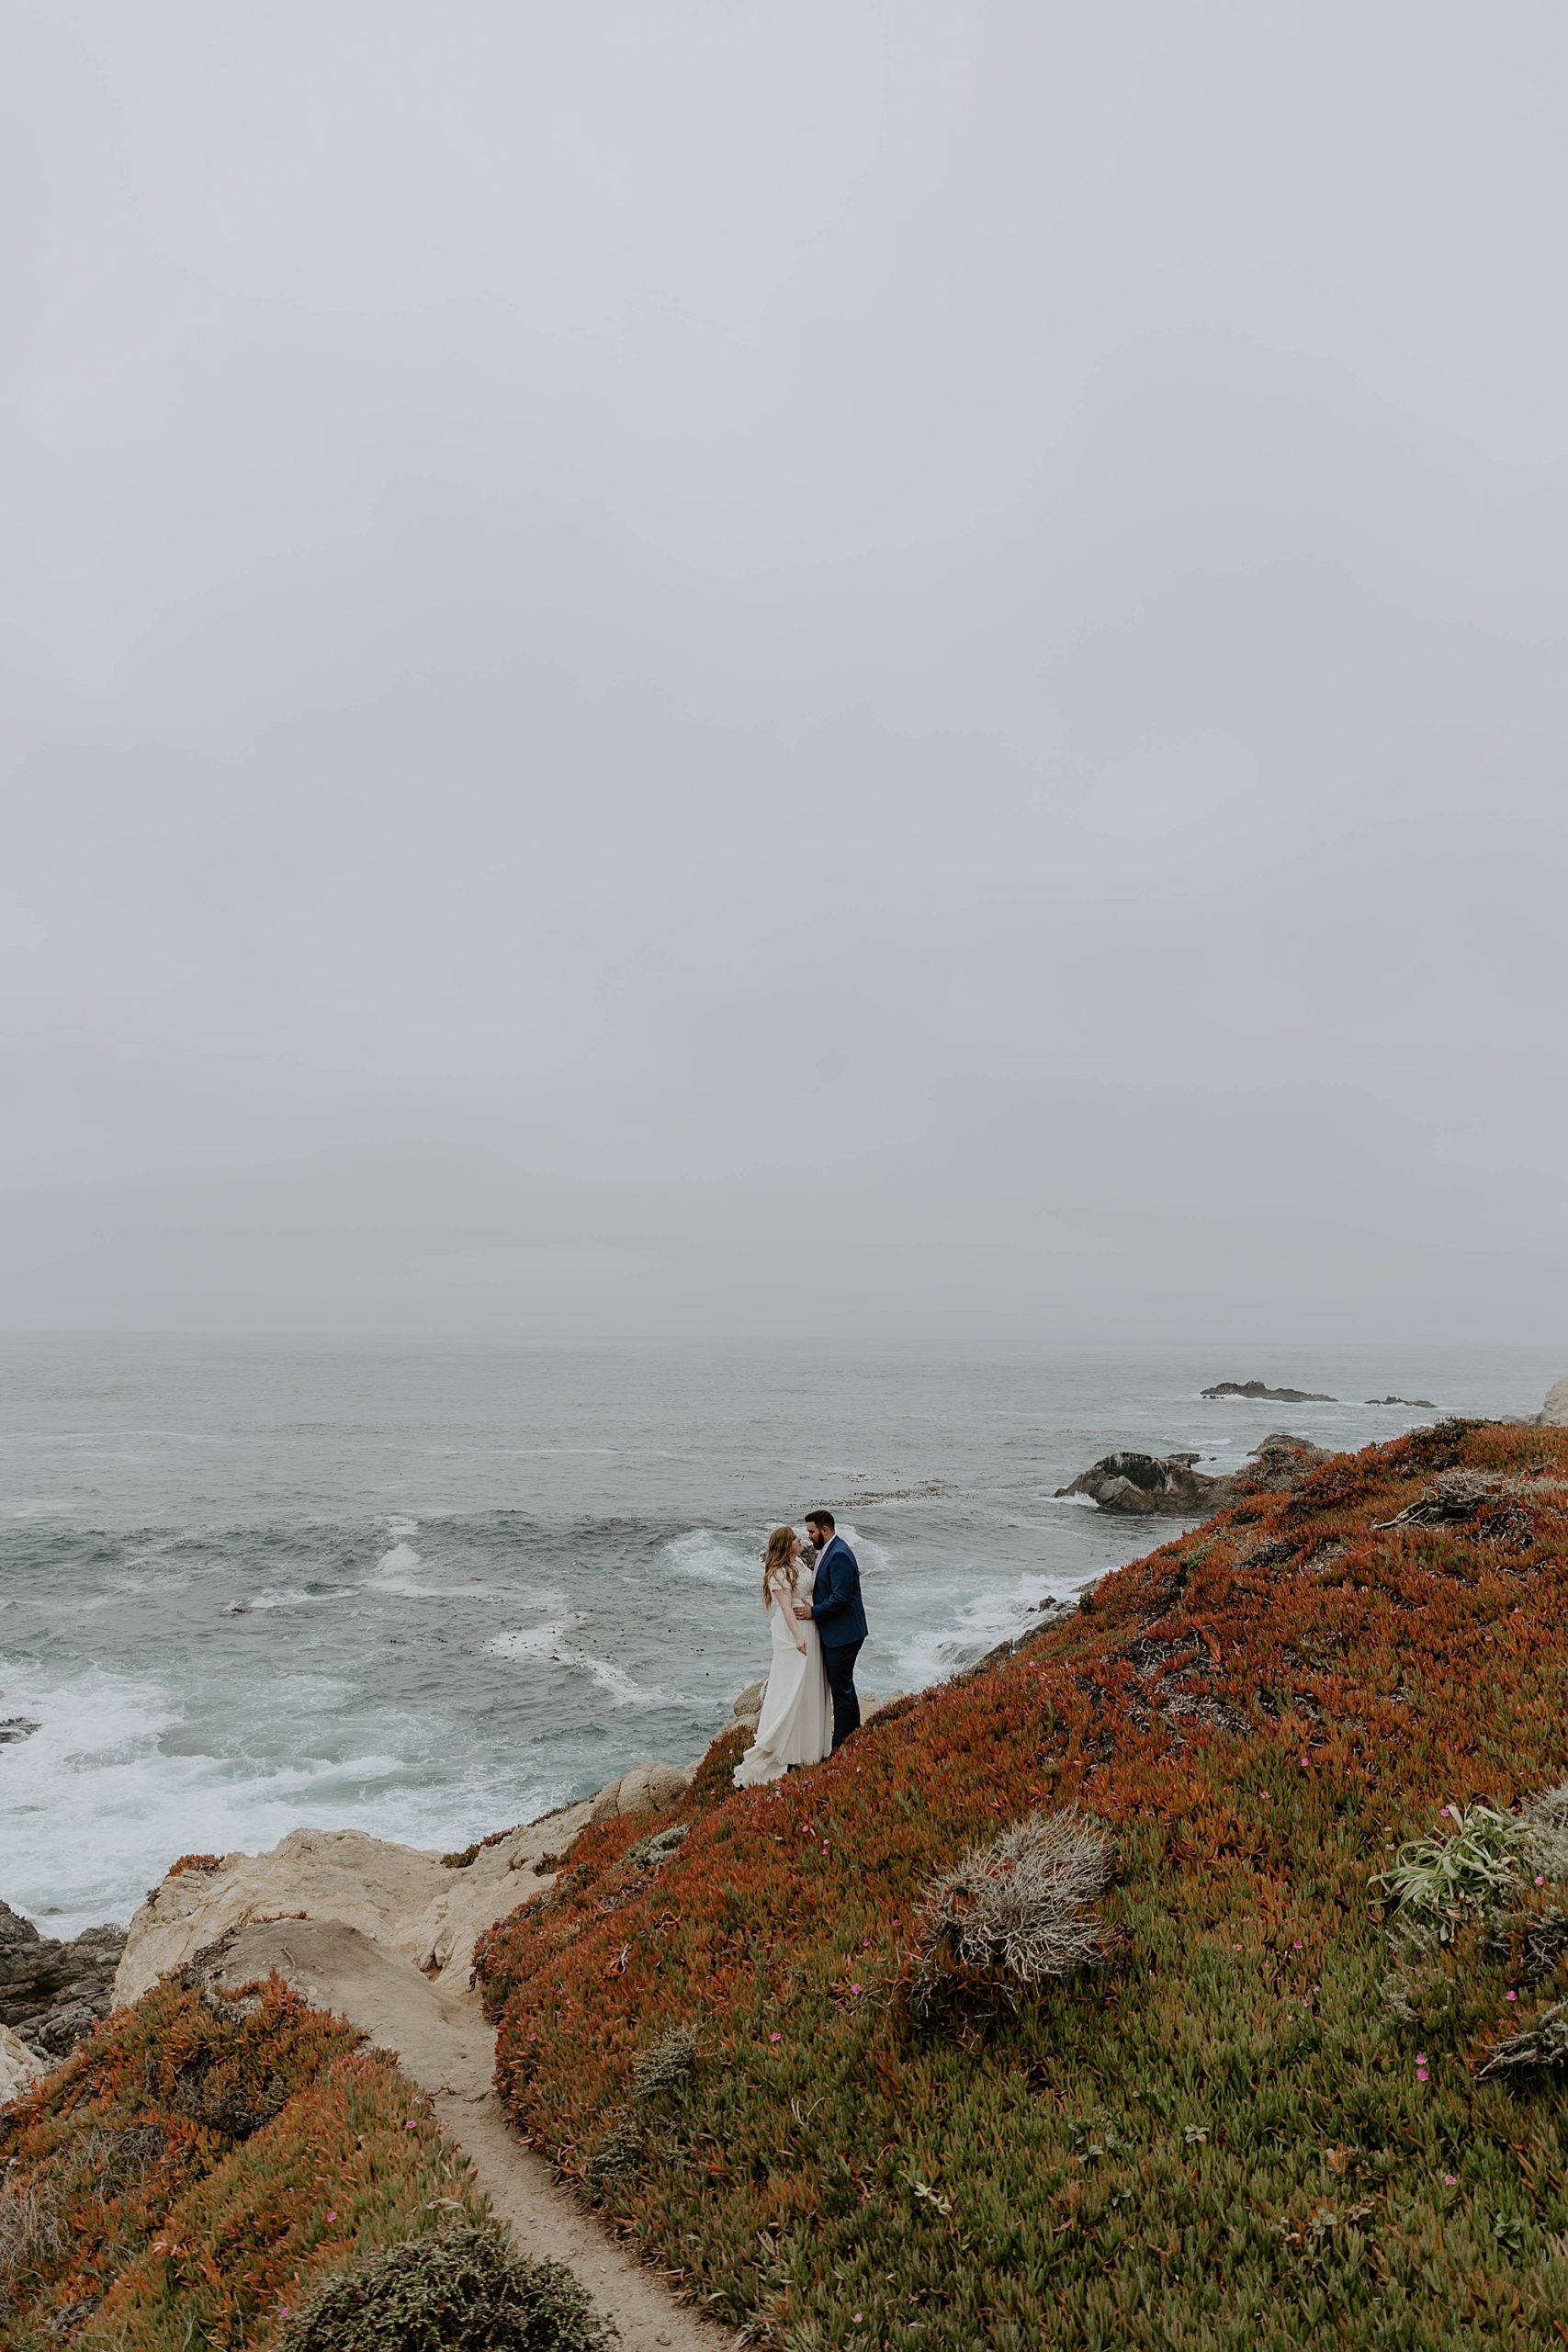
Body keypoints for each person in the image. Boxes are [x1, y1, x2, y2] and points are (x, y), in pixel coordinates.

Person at [732, 1525, 833, 1787]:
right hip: (794, 1632)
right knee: (793, 1686)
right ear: (786, 1544)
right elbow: (787, 1608)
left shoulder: (798, 1562)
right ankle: (784, 1745)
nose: (801, 1539)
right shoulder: (778, 1572)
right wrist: (798, 1637)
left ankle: (809, 1746)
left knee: (810, 1684)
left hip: (811, 1626)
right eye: (796, 1538)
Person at [796, 1509, 867, 1749]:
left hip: (844, 1634)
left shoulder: (839, 1555)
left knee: (841, 1689)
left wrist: (813, 1612)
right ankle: (853, 1735)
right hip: (839, 1631)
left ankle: (842, 1743)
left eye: (811, 1531)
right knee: (844, 1686)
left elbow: (841, 1598)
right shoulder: (828, 1550)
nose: (808, 1536)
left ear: (825, 1530)